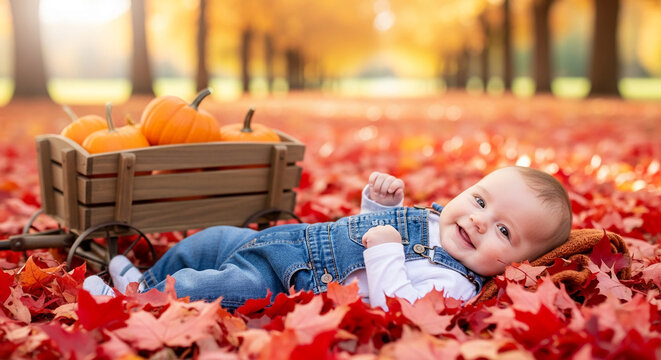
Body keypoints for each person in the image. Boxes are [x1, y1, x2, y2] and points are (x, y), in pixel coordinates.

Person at [84, 166, 572, 310]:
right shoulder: (432, 220)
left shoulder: (458, 284)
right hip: (283, 240)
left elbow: (395, 302)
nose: (480, 222)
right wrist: (380, 210)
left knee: (212, 288)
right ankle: (145, 276)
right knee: (208, 241)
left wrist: (384, 248)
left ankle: (132, 300)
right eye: (481, 202)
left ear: (518, 264)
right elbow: (360, 236)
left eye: (505, 232)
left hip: (287, 279)